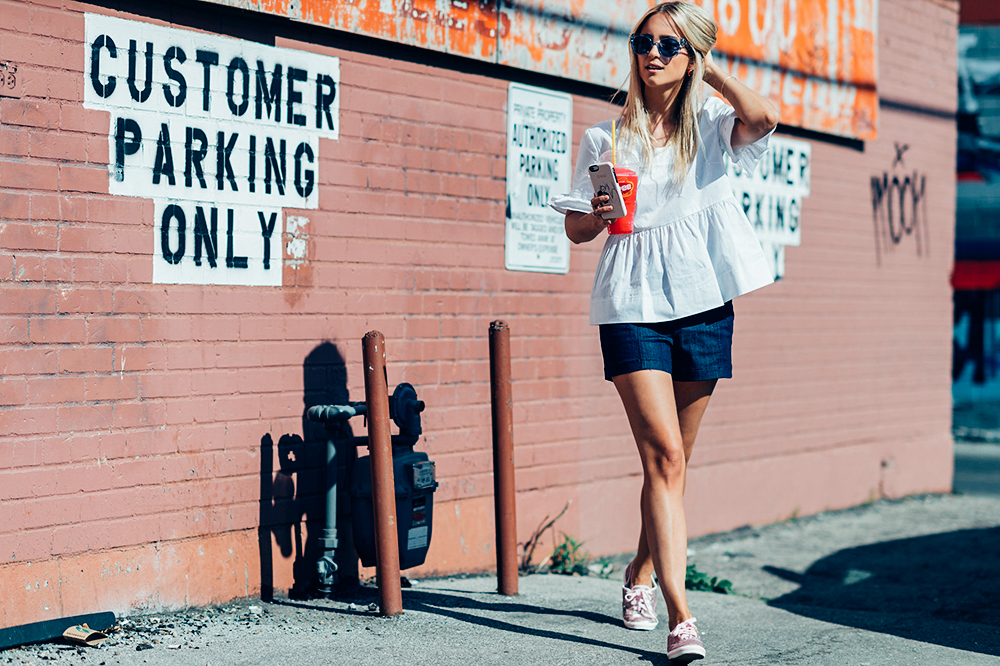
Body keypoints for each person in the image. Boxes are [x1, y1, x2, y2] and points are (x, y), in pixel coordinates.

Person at [549, 2, 780, 662]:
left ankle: (638, 572)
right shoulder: (605, 138)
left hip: (704, 301)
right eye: (643, 41)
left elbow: (763, 119)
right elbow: (575, 229)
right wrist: (594, 216)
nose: (651, 53)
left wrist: (711, 74)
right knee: (665, 457)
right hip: (630, 304)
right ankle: (682, 620)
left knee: (674, 464)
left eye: (668, 46)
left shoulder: (711, 125)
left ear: (691, 57)